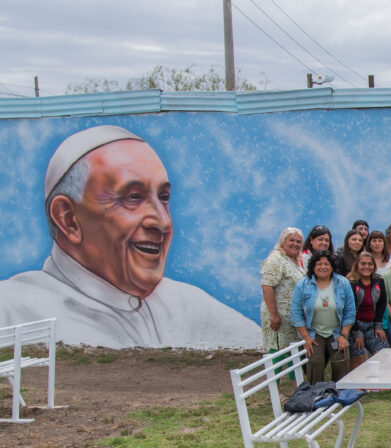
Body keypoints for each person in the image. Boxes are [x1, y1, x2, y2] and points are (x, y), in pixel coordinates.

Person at [0, 124, 259, 349]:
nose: (162, 222)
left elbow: (269, 355)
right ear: (68, 218)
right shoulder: (11, 308)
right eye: (133, 197)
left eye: (164, 198)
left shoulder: (188, 304)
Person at [290, 249, 355, 383]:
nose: (323, 267)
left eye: (327, 264)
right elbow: (296, 313)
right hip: (314, 333)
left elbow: (350, 311)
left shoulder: (343, 283)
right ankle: (316, 396)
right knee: (314, 362)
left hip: (337, 332)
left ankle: (338, 396)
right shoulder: (303, 284)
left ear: (332, 266)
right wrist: (306, 337)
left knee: (340, 362)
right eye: (319, 264)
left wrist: (343, 335)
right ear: (313, 266)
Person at [260, 227, 306, 352]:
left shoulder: (295, 260)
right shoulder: (276, 258)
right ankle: (275, 372)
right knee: (278, 351)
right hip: (278, 319)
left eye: (298, 242)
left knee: (292, 353)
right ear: (283, 241)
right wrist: (274, 315)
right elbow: (267, 286)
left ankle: (294, 373)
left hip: (291, 318)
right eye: (291, 240)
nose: (295, 244)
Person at [347, 251, 388, 365]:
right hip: (354, 327)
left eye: (370, 264)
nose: (366, 267)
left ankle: (380, 382)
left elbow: (382, 303)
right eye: (363, 264)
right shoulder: (351, 283)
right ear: (357, 265)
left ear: (374, 266)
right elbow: (349, 309)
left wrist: (378, 325)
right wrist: (355, 331)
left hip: (371, 326)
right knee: (359, 359)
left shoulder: (379, 281)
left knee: (383, 354)